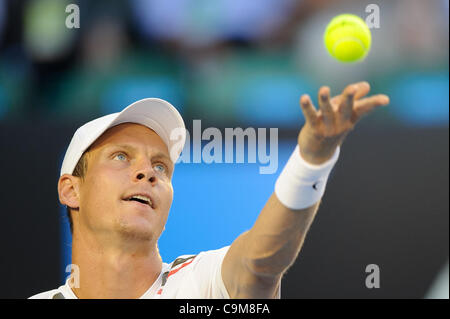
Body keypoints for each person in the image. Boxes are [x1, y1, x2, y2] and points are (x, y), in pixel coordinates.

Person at [29, 82, 389, 299]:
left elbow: (261, 262)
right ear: (70, 190)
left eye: (160, 167)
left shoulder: (205, 283)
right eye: (121, 156)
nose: (147, 173)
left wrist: (311, 162)